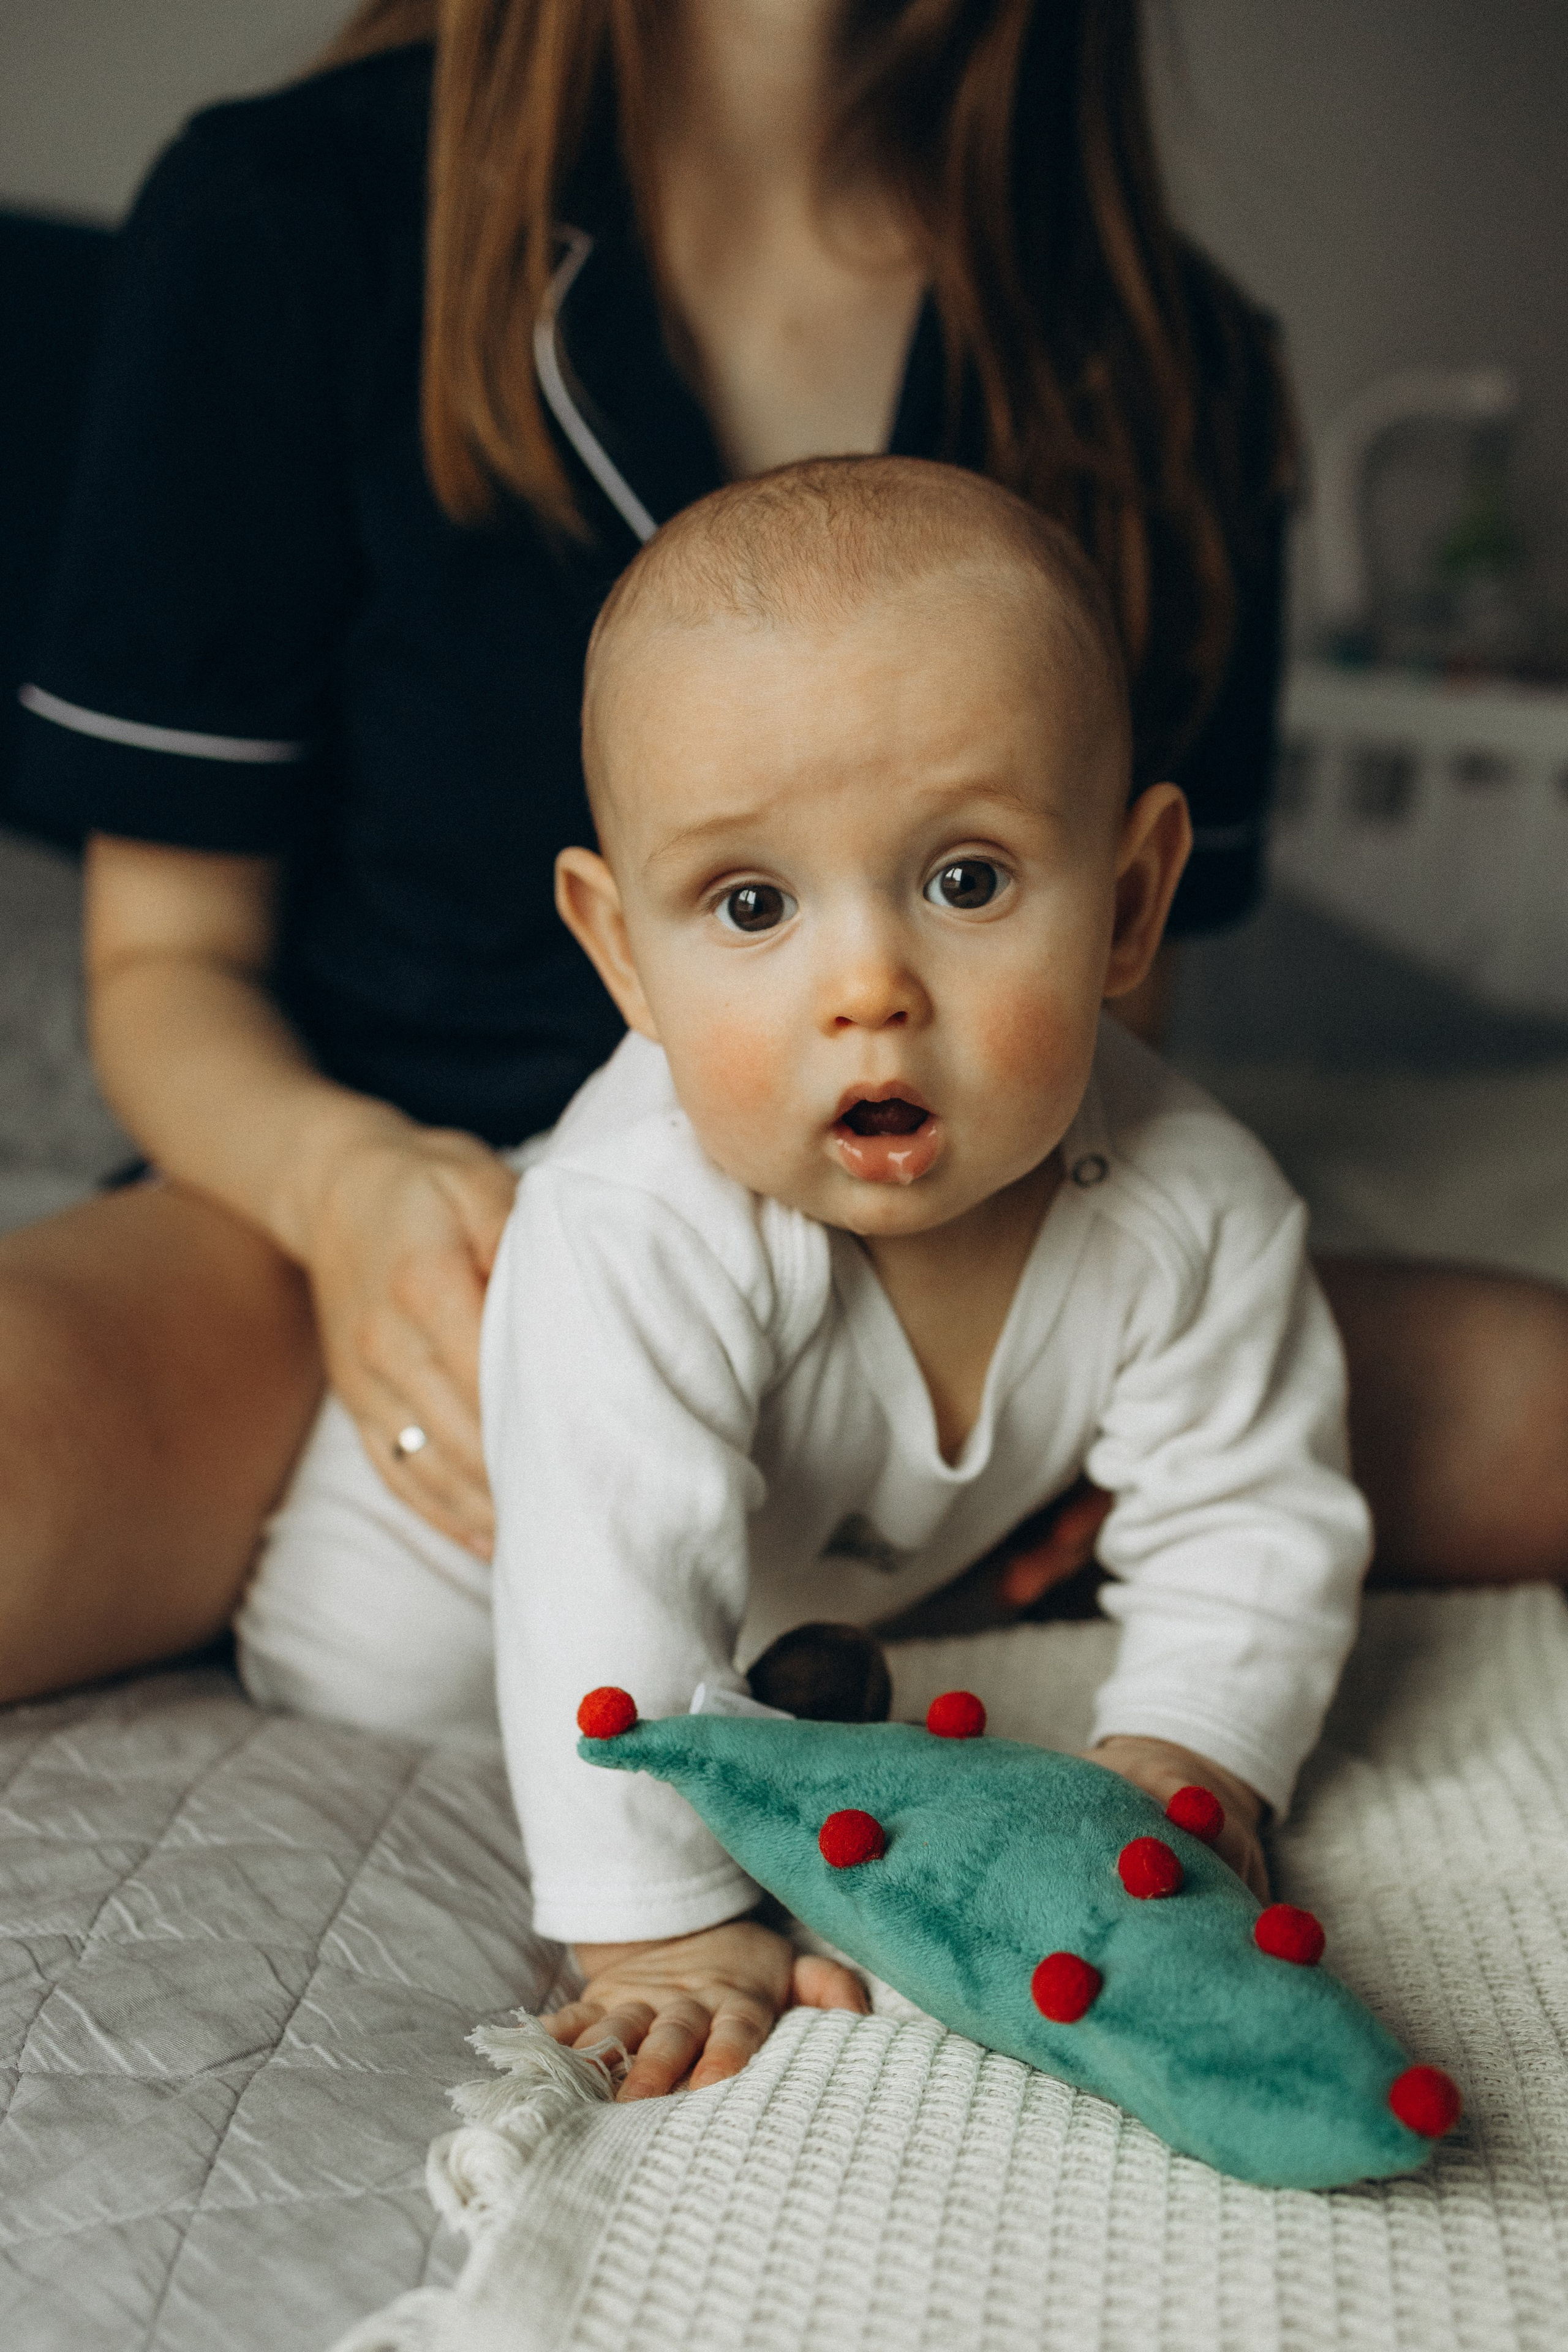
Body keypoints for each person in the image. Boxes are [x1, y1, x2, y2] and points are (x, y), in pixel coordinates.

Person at [2, 1, 1562, 1708]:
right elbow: (165, 969)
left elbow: (1121, 1005)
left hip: (937, 1236)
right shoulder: (286, 216)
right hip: (369, 1223)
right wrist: (351, 1196)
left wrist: (1058, 1389)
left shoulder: (1162, 351)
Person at [236, 455, 1374, 2097]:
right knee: (472, 1620)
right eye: (752, 902)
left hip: (804, 1580)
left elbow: (1257, 1520)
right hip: (414, 1593)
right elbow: (605, 1599)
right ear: (623, 951)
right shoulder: (639, 1215)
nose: (868, 987)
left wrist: (1192, 1758)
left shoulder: (1203, 1212)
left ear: (1128, 905)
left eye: (966, 879)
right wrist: (665, 1931)